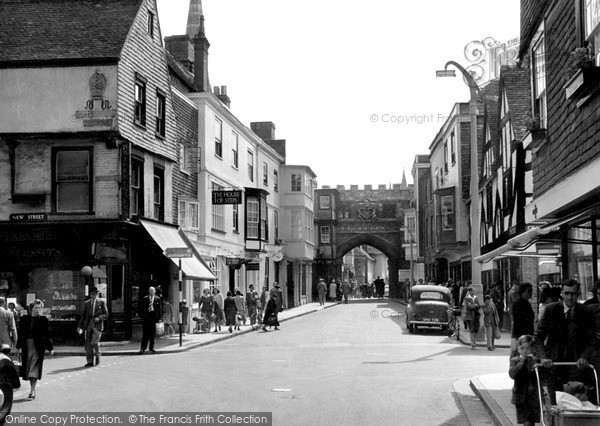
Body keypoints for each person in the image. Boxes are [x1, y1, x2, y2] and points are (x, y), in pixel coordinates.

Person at [533, 279, 596, 404]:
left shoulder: (586, 312)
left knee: (576, 404)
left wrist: (584, 356)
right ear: (561, 293)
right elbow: (538, 337)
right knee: (555, 404)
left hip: (577, 366)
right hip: (554, 365)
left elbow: (592, 339)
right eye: (566, 293)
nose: (570, 297)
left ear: (578, 294)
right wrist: (543, 358)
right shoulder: (551, 310)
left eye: (573, 294)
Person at [16, 299, 53, 400]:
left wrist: (50, 348)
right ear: (31, 309)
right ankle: (32, 388)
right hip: (26, 346)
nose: (38, 310)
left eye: (39, 308)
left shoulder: (43, 320)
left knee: (34, 367)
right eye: (36, 308)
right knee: (28, 368)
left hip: (38, 347)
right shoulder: (24, 319)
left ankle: (32, 390)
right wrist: (18, 347)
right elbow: (21, 334)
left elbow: (47, 334)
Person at [509, 335, 540, 426]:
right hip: (520, 396)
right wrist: (521, 363)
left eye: (528, 348)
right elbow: (512, 374)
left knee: (531, 422)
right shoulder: (515, 361)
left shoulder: (535, 360)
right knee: (526, 422)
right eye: (522, 348)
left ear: (532, 349)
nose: (525, 351)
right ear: (518, 349)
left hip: (533, 396)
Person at [77, 287, 108, 367]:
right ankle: (90, 361)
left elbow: (106, 314)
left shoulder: (101, 302)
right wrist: (80, 326)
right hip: (88, 326)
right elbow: (83, 316)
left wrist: (99, 318)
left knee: (95, 343)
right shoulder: (87, 303)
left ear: (97, 294)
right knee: (88, 345)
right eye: (91, 294)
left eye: (95, 294)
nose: (93, 295)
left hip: (97, 326)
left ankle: (98, 356)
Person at [511, 283, 535, 359]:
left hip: (525, 336)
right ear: (523, 292)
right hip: (521, 336)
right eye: (529, 291)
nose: (531, 293)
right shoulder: (519, 304)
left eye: (531, 291)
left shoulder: (526, 304)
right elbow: (521, 322)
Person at [138, 286, 161, 355]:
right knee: (145, 334)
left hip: (153, 318)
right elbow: (141, 308)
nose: (151, 292)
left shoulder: (157, 299)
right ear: (149, 291)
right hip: (146, 319)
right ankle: (143, 348)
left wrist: (159, 318)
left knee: (152, 334)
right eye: (150, 291)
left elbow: (159, 309)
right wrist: (142, 316)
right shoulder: (145, 298)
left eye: (153, 291)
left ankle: (151, 347)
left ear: (155, 292)